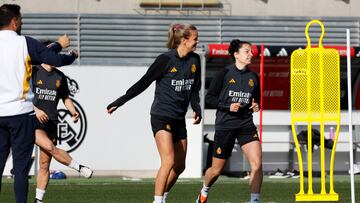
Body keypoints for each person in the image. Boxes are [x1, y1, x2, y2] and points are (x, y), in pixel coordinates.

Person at [107, 23, 202, 203]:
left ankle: (163, 195)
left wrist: (196, 108)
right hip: (161, 115)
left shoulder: (195, 60)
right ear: (183, 40)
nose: (198, 42)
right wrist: (121, 101)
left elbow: (195, 90)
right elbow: (144, 83)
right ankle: (158, 201)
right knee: (169, 161)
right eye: (195, 39)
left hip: (179, 118)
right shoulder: (165, 60)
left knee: (180, 166)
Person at [0, 4, 77, 203]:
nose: (22, 23)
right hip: (21, 114)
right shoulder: (24, 43)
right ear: (15, 21)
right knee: (20, 168)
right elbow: (53, 59)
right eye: (21, 20)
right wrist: (67, 50)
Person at [196, 39, 262, 203]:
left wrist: (256, 105)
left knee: (257, 164)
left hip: (246, 124)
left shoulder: (253, 76)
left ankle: (254, 200)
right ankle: (204, 191)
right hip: (225, 125)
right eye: (247, 51)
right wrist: (227, 106)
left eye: (251, 51)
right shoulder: (224, 73)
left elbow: (257, 99)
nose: (251, 54)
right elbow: (209, 98)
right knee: (216, 170)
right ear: (236, 54)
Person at [32, 40, 93, 203]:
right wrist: (35, 109)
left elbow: (65, 97)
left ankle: (38, 200)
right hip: (33, 121)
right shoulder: (33, 71)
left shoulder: (60, 76)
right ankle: (79, 167)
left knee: (44, 165)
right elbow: (22, 95)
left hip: (51, 123)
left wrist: (72, 111)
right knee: (50, 147)